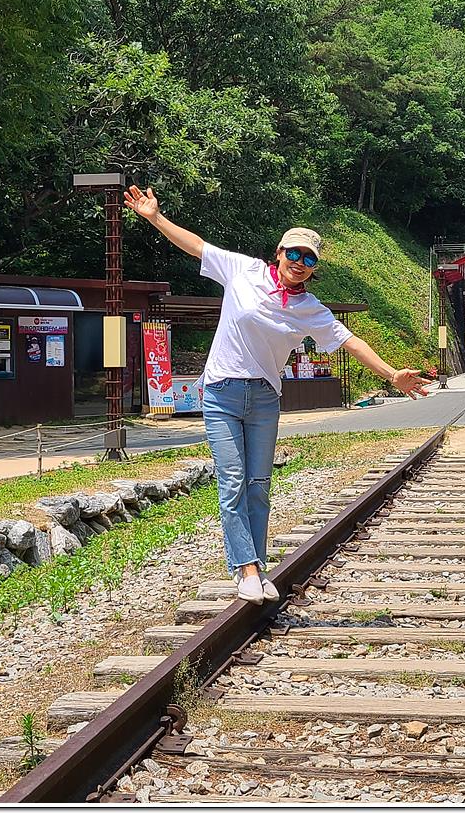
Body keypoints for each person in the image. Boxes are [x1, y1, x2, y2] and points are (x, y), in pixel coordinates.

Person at [124, 185, 430, 605]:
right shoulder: (244, 271)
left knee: (259, 484)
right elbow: (196, 246)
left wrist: (392, 374)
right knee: (233, 481)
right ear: (279, 252)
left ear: (314, 267)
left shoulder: (310, 309)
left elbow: (351, 341)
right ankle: (245, 569)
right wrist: (155, 218)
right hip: (221, 392)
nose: (300, 263)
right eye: (294, 254)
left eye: (309, 259)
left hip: (265, 398)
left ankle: (257, 566)